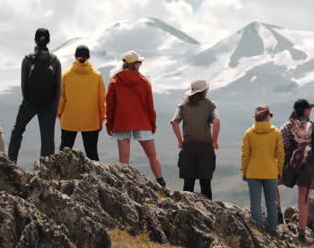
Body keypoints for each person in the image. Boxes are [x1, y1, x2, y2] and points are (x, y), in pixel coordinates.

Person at [106, 51, 166, 187]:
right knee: (152, 155)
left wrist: (110, 125)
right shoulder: (144, 82)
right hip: (142, 122)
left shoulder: (115, 81)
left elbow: (110, 106)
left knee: (124, 158)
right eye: (139, 62)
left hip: (121, 122)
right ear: (134, 65)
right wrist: (152, 124)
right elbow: (150, 106)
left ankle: (122, 185)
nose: (141, 64)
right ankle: (161, 182)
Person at [8, 28, 62, 162]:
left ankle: (11, 163)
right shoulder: (55, 61)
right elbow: (58, 87)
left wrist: (28, 100)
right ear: (49, 41)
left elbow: (24, 84)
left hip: (30, 103)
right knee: (48, 137)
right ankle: (46, 170)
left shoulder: (27, 60)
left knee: (17, 131)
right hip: (49, 105)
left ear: (35, 40)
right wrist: (53, 106)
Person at [280, 98, 314, 242]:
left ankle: (278, 221)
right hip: (309, 166)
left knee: (272, 184)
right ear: (305, 110)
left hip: (291, 164)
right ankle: (302, 233)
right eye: (309, 108)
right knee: (303, 199)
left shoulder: (287, 126)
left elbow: (282, 145)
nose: (310, 110)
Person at [171, 79, 220, 199]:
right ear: (204, 91)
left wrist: (180, 141)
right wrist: (214, 141)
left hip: (188, 147)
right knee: (205, 184)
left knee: (188, 184)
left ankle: (186, 210)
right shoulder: (210, 104)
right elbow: (216, 121)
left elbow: (174, 123)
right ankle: (210, 213)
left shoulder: (182, 105)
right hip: (206, 148)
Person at [241, 105, 284, 233]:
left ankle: (259, 232)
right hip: (271, 172)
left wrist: (244, 171)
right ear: (267, 117)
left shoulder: (249, 133)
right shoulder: (276, 132)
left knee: (255, 204)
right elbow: (281, 155)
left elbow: (245, 155)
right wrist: (279, 171)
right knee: (271, 203)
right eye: (270, 115)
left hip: (253, 172)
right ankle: (272, 231)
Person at [57, 44, 105, 161]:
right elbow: (101, 100)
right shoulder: (96, 75)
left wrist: (59, 114)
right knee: (92, 153)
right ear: (88, 57)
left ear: (75, 56)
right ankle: (97, 178)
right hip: (91, 120)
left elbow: (61, 98)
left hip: (69, 119)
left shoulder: (66, 75)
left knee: (64, 152)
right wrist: (101, 119)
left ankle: (61, 177)